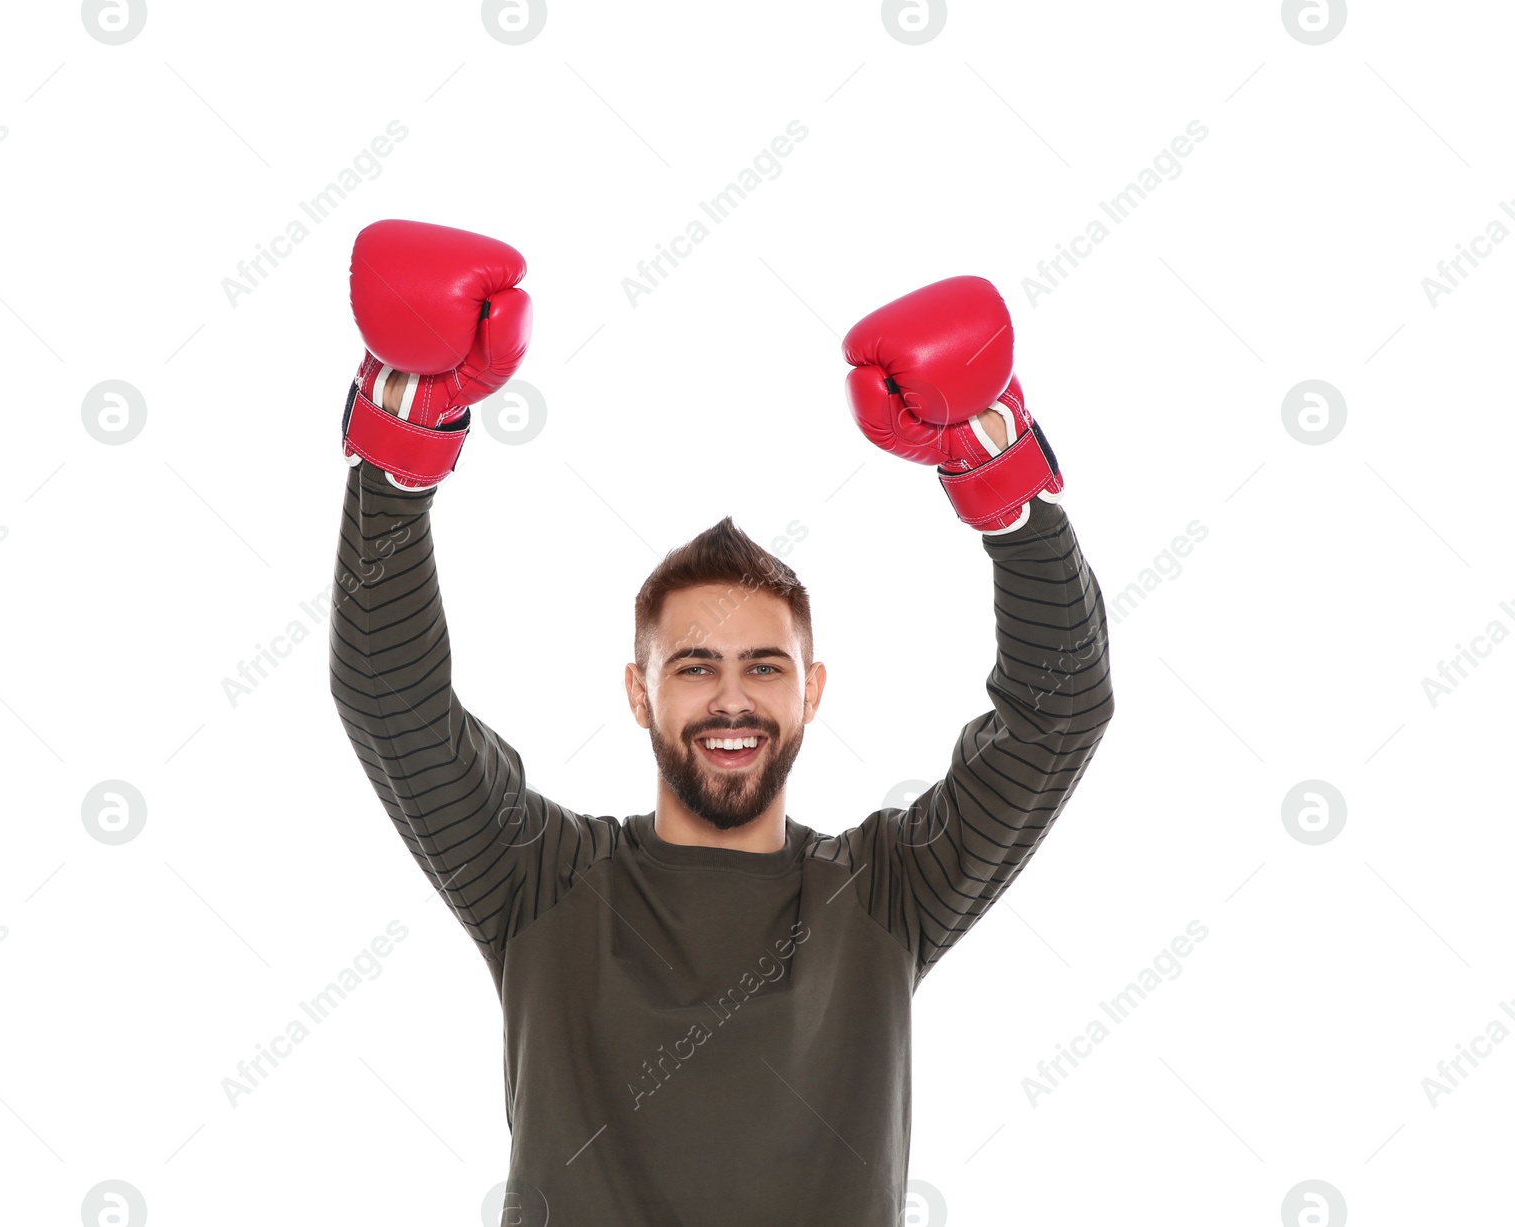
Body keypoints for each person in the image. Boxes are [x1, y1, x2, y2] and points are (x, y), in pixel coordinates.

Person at [328, 219, 1114, 1227]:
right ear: (638, 692)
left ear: (811, 692)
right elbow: (393, 707)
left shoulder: (883, 896)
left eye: (763, 667)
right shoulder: (537, 881)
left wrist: (997, 469)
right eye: (694, 666)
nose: (731, 699)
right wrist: (399, 443)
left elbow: (1058, 715)